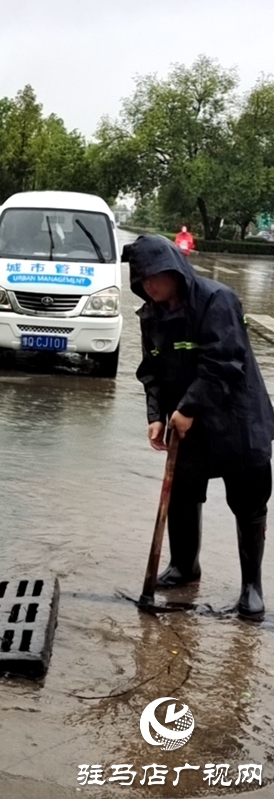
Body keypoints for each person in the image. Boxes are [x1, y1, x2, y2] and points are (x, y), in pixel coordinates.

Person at [122, 234, 274, 617]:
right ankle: (184, 566)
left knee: (248, 502)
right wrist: (156, 416)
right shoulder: (151, 316)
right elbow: (151, 372)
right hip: (187, 425)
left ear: (175, 270)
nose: (151, 286)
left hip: (237, 420)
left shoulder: (216, 299)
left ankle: (251, 586)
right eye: (143, 282)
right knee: (183, 493)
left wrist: (188, 406)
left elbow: (223, 362)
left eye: (157, 277)